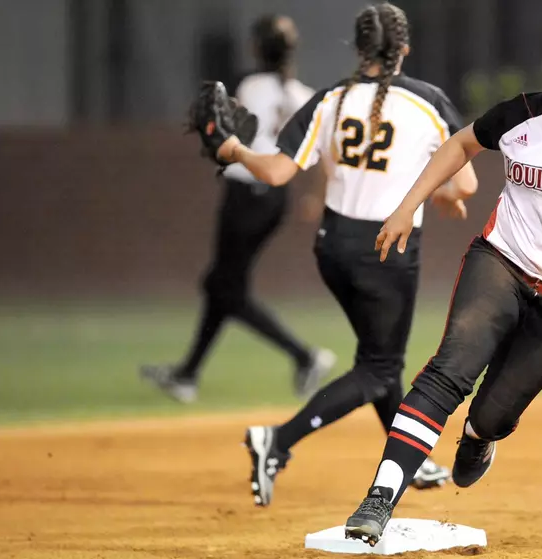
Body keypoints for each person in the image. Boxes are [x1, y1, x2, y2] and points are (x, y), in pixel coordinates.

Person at [341, 13, 542, 545]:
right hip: (501, 263)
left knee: (493, 414)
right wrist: (407, 207)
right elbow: (459, 146)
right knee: (448, 371)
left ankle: (479, 435)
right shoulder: (520, 114)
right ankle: (380, 496)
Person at [199, 3, 479, 506]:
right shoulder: (428, 101)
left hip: (333, 250)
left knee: (379, 360)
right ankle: (277, 440)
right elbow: (466, 182)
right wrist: (446, 197)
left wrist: (233, 151)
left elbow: (278, 172)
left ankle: (408, 461)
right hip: (387, 255)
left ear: (357, 49)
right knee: (378, 366)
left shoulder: (330, 99)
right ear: (404, 50)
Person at [140, 15, 335, 405]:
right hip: (276, 199)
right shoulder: (303, 94)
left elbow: (230, 134)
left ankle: (305, 356)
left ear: (257, 48)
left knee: (223, 287)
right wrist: (317, 197)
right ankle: (188, 374)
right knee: (222, 286)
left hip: (245, 196)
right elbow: (327, 154)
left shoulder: (251, 85)